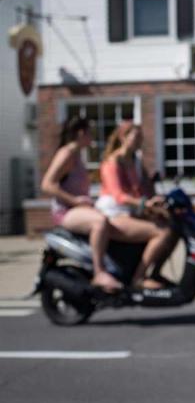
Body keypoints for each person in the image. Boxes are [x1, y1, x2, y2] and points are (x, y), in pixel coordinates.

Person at [41, 116, 123, 292]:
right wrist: (75, 201)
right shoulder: (67, 153)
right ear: (80, 133)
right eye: (90, 133)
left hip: (76, 210)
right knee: (99, 222)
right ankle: (99, 272)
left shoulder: (77, 154)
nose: (92, 137)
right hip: (65, 212)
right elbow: (47, 184)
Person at [96, 121, 177, 289]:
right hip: (114, 214)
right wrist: (145, 203)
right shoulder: (112, 162)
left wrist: (156, 199)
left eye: (141, 137)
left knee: (173, 227)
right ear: (123, 137)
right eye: (136, 137)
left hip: (131, 211)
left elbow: (145, 187)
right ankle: (139, 278)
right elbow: (119, 195)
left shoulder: (136, 162)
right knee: (162, 233)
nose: (140, 141)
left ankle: (155, 273)